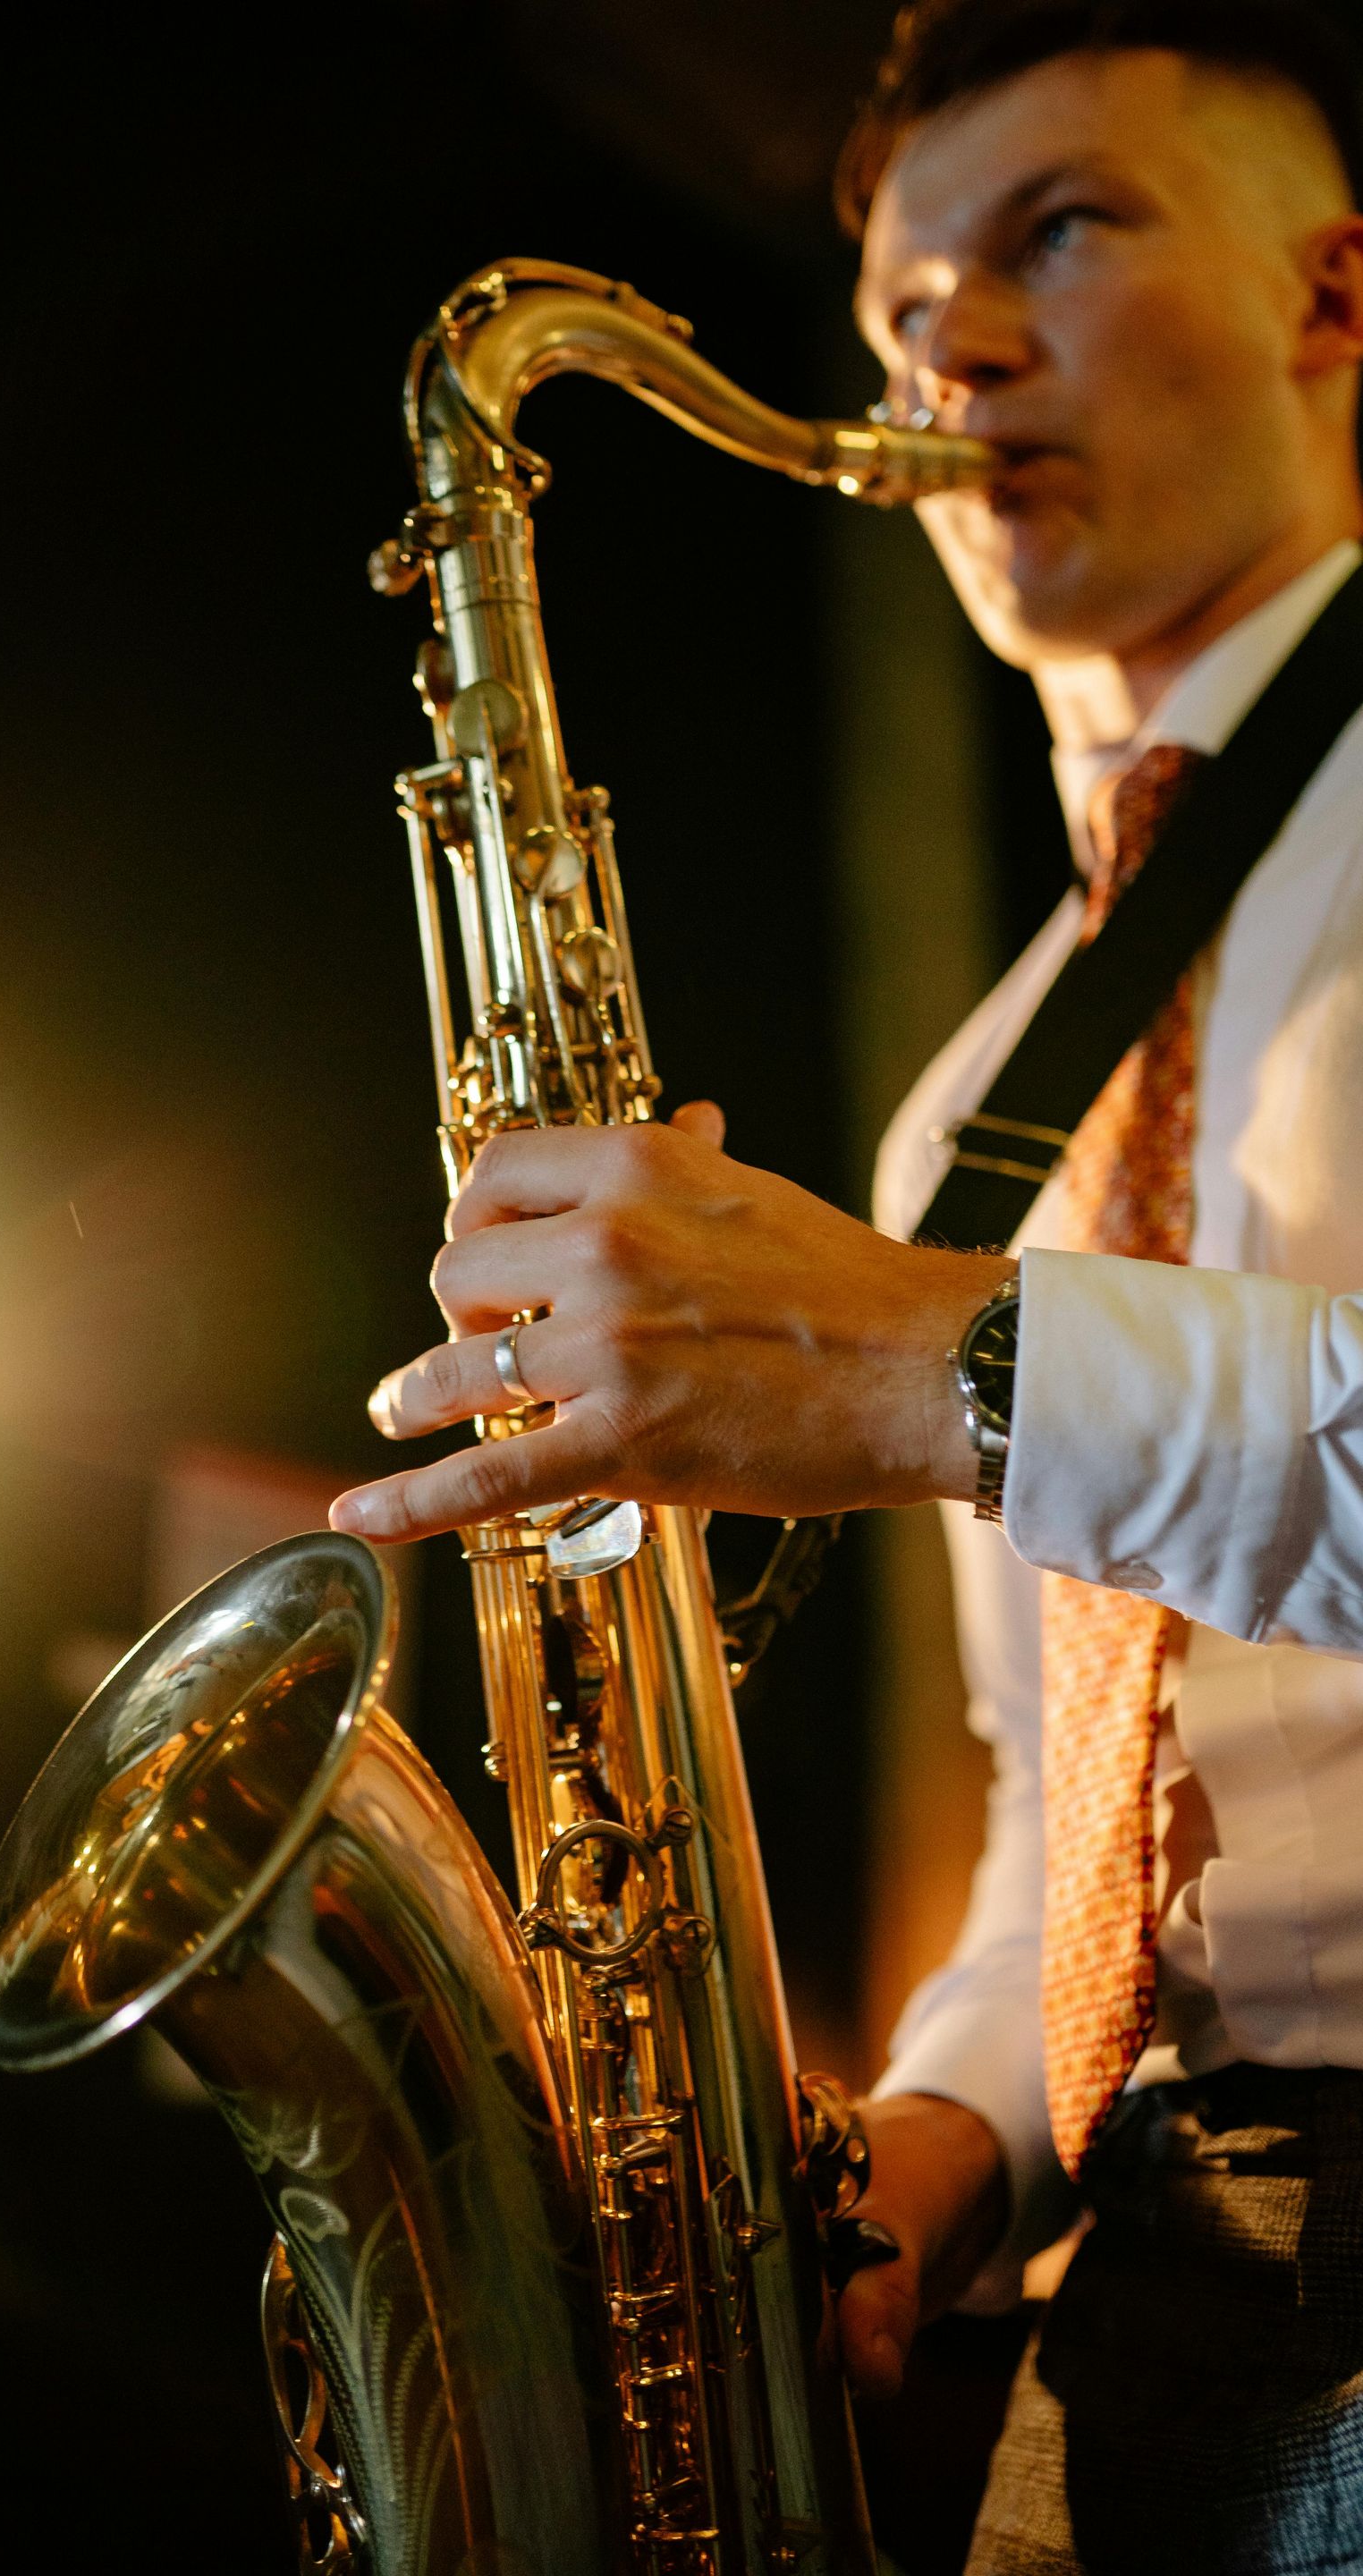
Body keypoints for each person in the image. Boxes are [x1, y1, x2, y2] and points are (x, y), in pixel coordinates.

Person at [334, 3, 1363, 2565]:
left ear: (1333, 299)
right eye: (908, 312)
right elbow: (1088, 1833)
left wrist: (943, 1358)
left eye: (1065, 233)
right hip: (1153, 2336)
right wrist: (932, 2146)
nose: (956, 348)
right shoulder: (981, 1100)